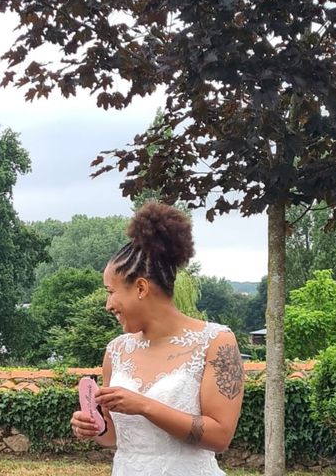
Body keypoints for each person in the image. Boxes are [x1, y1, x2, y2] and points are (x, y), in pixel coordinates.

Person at [70, 202, 244, 475]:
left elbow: (220, 436)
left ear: (140, 287)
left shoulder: (215, 341)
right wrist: (95, 428)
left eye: (111, 292)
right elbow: (114, 437)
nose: (107, 305)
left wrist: (144, 406)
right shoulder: (116, 351)